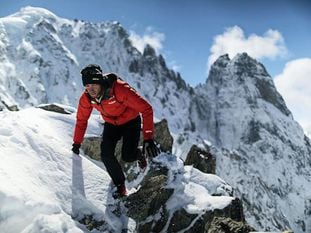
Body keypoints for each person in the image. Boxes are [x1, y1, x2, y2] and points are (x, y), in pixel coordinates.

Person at [72, 64, 160, 198]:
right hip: (111, 124)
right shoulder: (87, 98)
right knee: (106, 154)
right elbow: (81, 120)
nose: (91, 89)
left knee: (127, 156)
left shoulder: (119, 89)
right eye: (87, 86)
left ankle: (138, 154)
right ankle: (120, 186)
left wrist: (148, 138)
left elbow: (146, 109)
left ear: (100, 82)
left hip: (131, 120)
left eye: (94, 85)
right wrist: (76, 143)